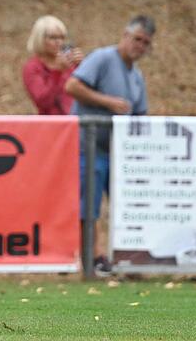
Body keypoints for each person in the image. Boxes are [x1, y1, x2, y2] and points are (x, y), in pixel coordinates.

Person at [64, 15, 156, 274]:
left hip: (118, 153)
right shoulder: (103, 58)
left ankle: (126, 257)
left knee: (123, 204)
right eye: (137, 39)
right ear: (125, 36)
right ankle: (93, 259)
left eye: (145, 43)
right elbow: (72, 85)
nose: (139, 46)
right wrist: (108, 102)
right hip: (87, 146)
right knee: (89, 206)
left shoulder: (136, 76)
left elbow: (140, 115)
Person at [22, 15, 84, 115]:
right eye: (53, 37)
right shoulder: (33, 67)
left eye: (62, 37)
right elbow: (43, 101)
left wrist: (83, 66)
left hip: (76, 121)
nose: (59, 42)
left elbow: (88, 92)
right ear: (40, 39)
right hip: (51, 124)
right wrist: (57, 72)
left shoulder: (70, 64)